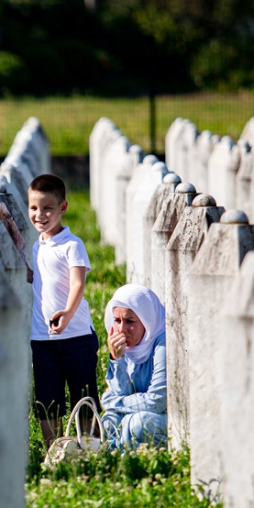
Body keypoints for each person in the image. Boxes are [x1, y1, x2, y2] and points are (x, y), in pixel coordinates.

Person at [28, 173, 98, 445]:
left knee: (84, 396)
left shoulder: (72, 245)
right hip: (43, 338)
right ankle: (53, 453)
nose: (40, 214)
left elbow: (77, 284)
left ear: (63, 208)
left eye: (47, 208)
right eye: (34, 207)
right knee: (48, 400)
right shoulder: (36, 247)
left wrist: (67, 315)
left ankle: (91, 449)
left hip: (77, 336)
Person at [100, 284, 167, 450]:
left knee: (138, 423)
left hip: (168, 417)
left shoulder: (162, 343)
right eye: (117, 320)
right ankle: (116, 466)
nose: (122, 329)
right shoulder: (126, 348)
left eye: (130, 321)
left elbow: (157, 401)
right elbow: (123, 393)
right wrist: (117, 358)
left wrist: (112, 401)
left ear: (146, 320)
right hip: (135, 411)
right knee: (109, 421)